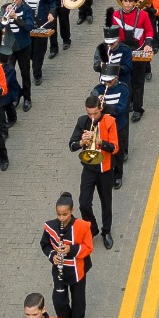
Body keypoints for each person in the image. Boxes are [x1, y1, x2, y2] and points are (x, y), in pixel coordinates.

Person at [41, 193, 93, 318]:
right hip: (59, 271)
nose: (62, 218)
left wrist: (71, 249)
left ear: (72, 211)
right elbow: (44, 244)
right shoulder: (50, 226)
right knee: (59, 300)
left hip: (78, 270)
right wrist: (52, 255)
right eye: (59, 214)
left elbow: (88, 248)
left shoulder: (82, 226)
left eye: (65, 214)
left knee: (78, 299)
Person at [69, 94, 118, 248]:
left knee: (106, 202)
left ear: (101, 109)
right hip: (89, 167)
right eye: (89, 113)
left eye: (95, 113)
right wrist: (81, 142)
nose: (92, 117)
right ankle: (93, 228)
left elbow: (115, 148)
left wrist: (100, 142)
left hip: (106, 169)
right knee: (83, 203)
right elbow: (71, 145)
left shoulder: (110, 121)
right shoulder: (82, 121)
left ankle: (106, 231)